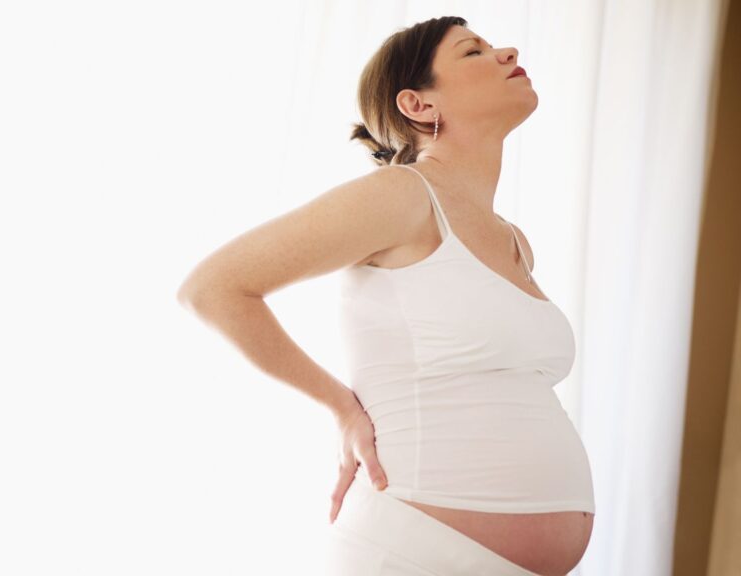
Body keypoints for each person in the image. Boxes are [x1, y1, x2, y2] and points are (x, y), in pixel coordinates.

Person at [176, 15, 594, 576]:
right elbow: (213, 288)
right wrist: (341, 406)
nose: (507, 52)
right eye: (473, 52)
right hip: (409, 555)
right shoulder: (403, 197)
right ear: (419, 104)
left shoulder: (514, 241)